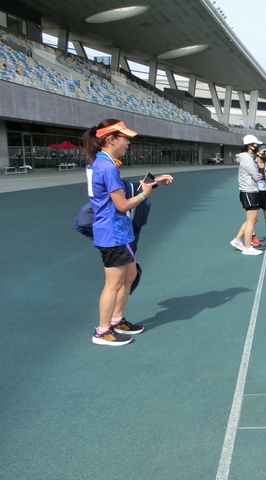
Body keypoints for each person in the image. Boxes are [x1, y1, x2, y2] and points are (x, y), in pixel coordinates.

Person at [84, 119, 165, 346]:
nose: (128, 143)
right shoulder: (107, 166)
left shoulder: (103, 162)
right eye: (125, 138)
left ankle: (117, 320)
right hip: (113, 232)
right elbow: (122, 205)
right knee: (113, 283)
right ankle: (102, 331)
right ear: (111, 139)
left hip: (119, 231)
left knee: (129, 276)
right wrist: (145, 194)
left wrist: (153, 182)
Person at [230, 134, 264, 256]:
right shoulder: (247, 159)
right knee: (251, 221)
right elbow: (256, 176)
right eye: (256, 144)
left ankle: (238, 239)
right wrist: (259, 175)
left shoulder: (249, 158)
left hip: (251, 191)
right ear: (250, 146)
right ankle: (247, 247)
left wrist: (258, 175)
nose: (258, 147)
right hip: (248, 191)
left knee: (254, 219)